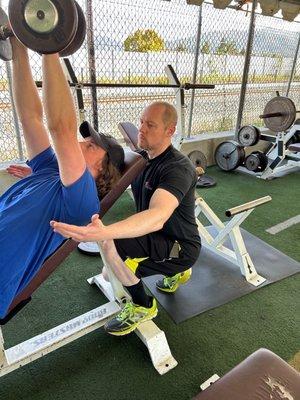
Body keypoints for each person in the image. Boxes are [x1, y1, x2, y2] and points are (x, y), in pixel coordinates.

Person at [52, 101, 201, 336]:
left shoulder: (177, 168)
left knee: (116, 256)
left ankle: (143, 306)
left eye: (150, 125)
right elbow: (103, 173)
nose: (141, 129)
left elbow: (157, 217)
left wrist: (104, 233)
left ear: (169, 131)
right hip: (155, 237)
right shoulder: (142, 159)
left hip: (179, 246)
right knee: (108, 273)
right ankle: (175, 273)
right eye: (141, 122)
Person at [0, 38, 124, 319]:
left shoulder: (82, 203)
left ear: (101, 172)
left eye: (90, 146)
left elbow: (60, 128)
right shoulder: (48, 169)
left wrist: (48, 44)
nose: (80, 144)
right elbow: (30, 117)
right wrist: (19, 44)